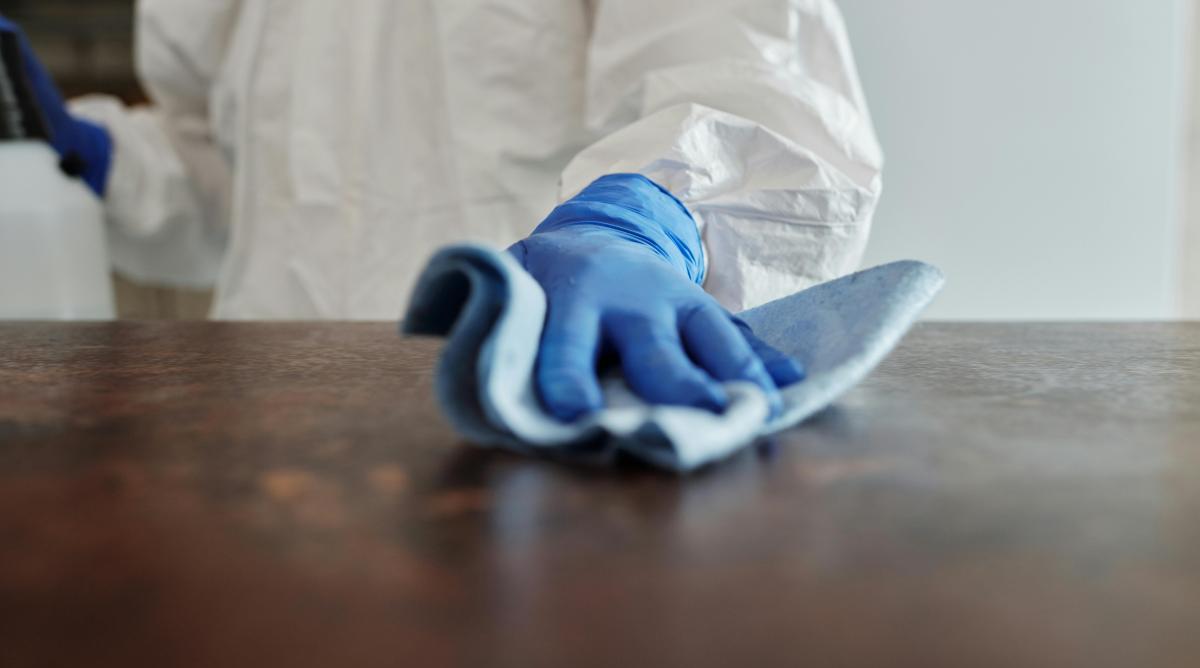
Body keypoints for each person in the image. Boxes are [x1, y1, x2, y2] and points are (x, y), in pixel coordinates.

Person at [1, 0, 882, 421]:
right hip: (264, 429)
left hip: (534, 412)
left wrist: (649, 213)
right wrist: (100, 154)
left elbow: (762, 88)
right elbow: (235, 192)